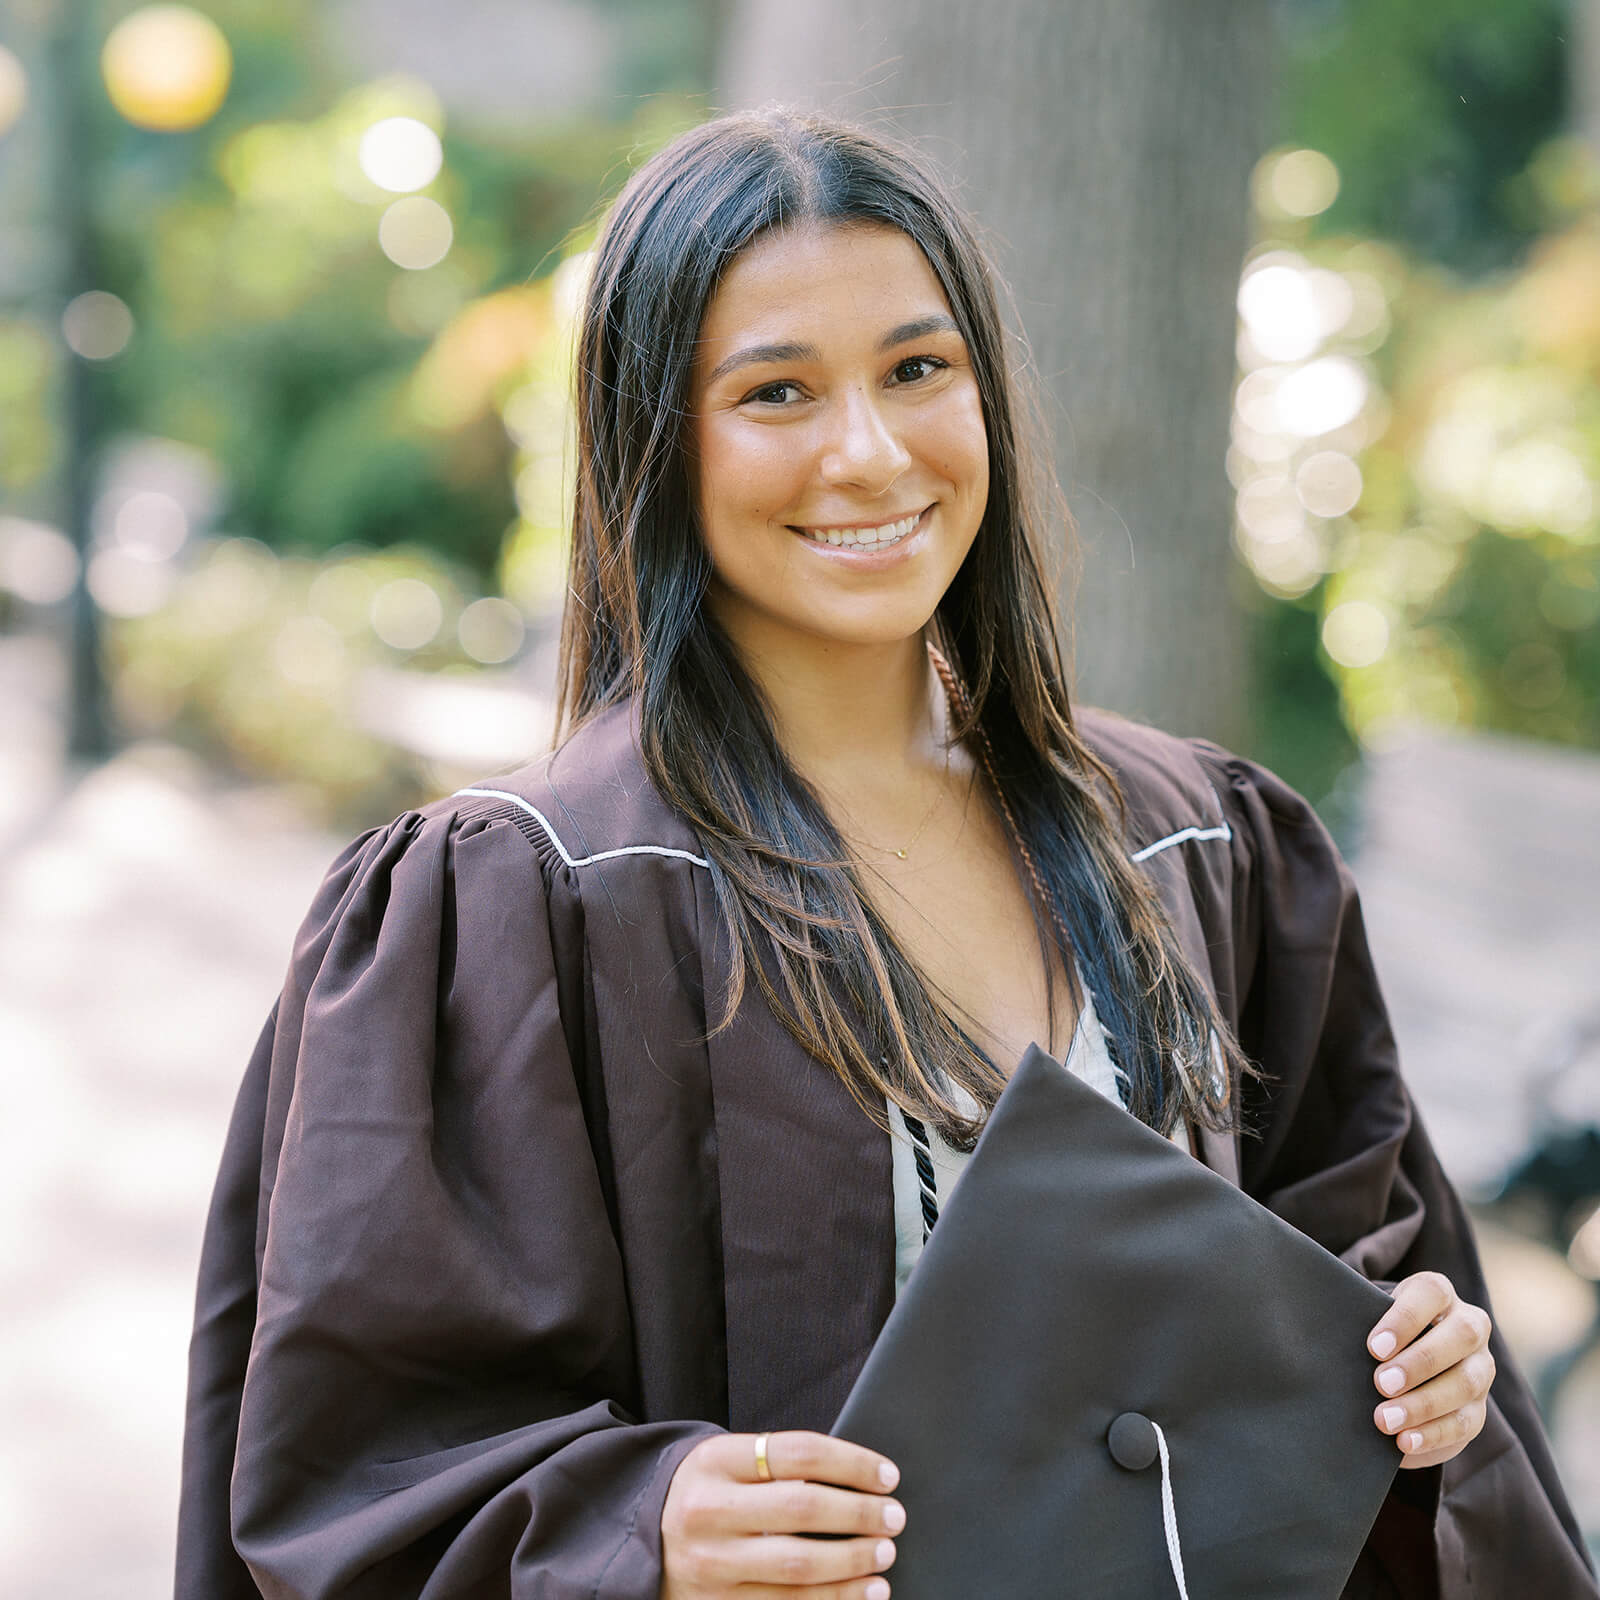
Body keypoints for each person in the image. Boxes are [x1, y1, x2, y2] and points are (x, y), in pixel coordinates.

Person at [177, 110, 1598, 1599]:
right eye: (776, 391)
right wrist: (643, 1523)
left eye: (918, 371)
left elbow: (1358, 1315)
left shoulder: (1203, 845)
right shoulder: (522, 904)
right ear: (656, 444)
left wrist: (1420, 1391)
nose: (868, 452)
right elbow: (353, 1468)